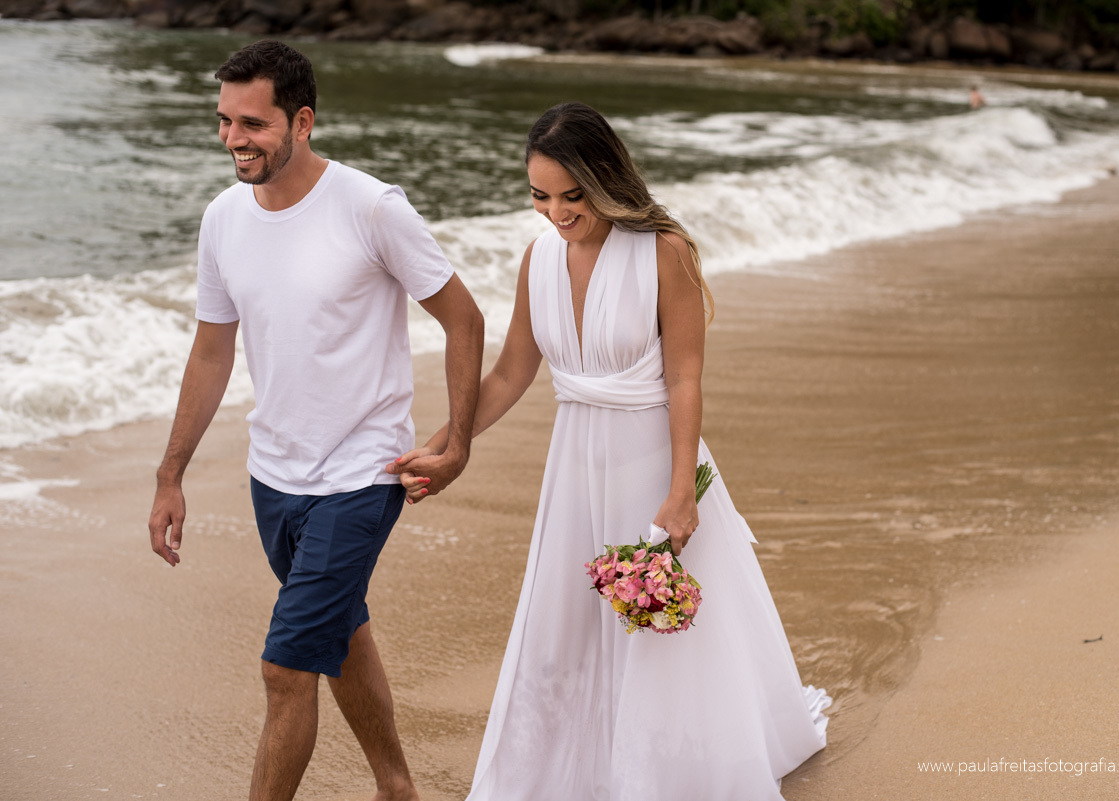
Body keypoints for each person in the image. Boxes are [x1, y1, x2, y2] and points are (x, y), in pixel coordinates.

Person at [391, 102, 830, 800]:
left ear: (605, 179)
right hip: (575, 467)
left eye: (572, 196)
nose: (557, 212)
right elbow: (511, 372)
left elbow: (685, 377)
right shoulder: (538, 258)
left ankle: (664, 775)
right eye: (540, 195)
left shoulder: (664, 252)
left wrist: (682, 489)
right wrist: (450, 443)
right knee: (570, 621)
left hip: (652, 459)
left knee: (658, 626)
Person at [147, 40, 483, 801]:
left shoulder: (371, 207)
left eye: (254, 124)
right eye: (225, 122)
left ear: (302, 121)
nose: (234, 140)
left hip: (363, 474)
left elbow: (462, 318)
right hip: (274, 476)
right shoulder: (224, 218)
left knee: (286, 665)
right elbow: (210, 352)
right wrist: (170, 474)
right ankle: (397, 785)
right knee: (340, 629)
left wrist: (456, 440)